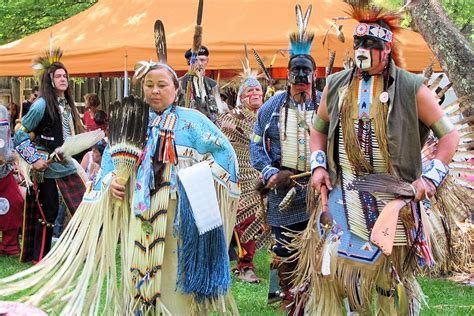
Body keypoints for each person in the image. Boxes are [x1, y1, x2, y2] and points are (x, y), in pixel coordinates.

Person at [0, 60, 240, 315]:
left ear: (176, 90)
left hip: (177, 218)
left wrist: (190, 181)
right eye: (149, 85)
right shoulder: (130, 123)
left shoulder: (193, 123)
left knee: (172, 280)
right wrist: (113, 182)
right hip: (137, 214)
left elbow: (227, 159)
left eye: (161, 85)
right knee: (137, 273)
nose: (154, 91)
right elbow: (108, 168)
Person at [299, 5, 460, 315]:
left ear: (387, 50)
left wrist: (429, 180)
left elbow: (449, 137)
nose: (363, 52)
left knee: (391, 281)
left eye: (371, 47)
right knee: (333, 272)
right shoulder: (335, 86)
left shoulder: (412, 89)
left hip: (393, 198)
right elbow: (317, 132)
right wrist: (319, 165)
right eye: (359, 45)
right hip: (343, 193)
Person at [249, 4, 321, 305]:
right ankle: (283, 298)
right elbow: (256, 147)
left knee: (319, 247)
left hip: (319, 190)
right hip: (284, 191)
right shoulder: (271, 108)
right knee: (283, 248)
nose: (301, 75)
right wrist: (271, 175)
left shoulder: (325, 106)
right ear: (287, 74)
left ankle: (316, 297)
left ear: (315, 74)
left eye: (307, 70)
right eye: (296, 70)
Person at [13, 48, 86, 263]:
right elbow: (19, 134)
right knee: (49, 213)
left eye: (65, 76)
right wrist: (34, 159)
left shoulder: (66, 104)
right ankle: (41, 258)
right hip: (47, 168)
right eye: (59, 76)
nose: (63, 79)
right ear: (50, 80)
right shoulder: (42, 104)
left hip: (67, 164)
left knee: (83, 206)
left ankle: (82, 253)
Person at [216, 58, 266, 284]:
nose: (255, 93)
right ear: (242, 96)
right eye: (251, 90)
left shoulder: (269, 116)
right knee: (245, 221)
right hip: (239, 178)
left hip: (266, 175)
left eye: (258, 89)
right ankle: (244, 266)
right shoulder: (231, 118)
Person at [178, 46, 225, 122]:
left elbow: (220, 112)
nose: (199, 64)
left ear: (207, 61)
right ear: (189, 62)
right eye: (196, 60)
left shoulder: (213, 85)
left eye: (202, 60)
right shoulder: (179, 84)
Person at [0, 105, 24, 256]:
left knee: (13, 202)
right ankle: (9, 245)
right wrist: (10, 156)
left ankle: (9, 245)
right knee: (14, 202)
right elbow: (2, 145)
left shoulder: (2, 110)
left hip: (3, 171)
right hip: (3, 169)